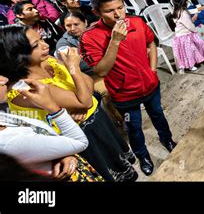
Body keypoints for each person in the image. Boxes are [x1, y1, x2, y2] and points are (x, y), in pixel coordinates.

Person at [1, 25, 137, 182]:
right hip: (84, 135)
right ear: (16, 56)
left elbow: (89, 83)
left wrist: (77, 79)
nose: (45, 46)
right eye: (35, 45)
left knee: (122, 164)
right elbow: (85, 100)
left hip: (98, 119)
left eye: (42, 40)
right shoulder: (26, 88)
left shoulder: (47, 60)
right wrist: (73, 69)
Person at [79, 0, 176, 176]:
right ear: (96, 12)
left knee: (158, 115)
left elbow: (151, 43)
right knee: (134, 127)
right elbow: (101, 70)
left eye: (120, 8)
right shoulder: (90, 37)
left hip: (150, 85)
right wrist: (114, 41)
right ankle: (143, 157)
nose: (117, 14)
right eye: (109, 11)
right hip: (124, 94)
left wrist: (153, 69)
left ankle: (167, 140)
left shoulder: (137, 22)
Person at [0, 76, 102, 181]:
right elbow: (79, 142)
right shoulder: (5, 142)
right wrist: (51, 105)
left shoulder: (2, 116)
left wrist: (61, 153)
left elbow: (43, 132)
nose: (4, 80)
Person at [171, 0, 204, 74]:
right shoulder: (183, 13)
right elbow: (189, 25)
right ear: (183, 3)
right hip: (185, 35)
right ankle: (191, 65)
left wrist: (194, 18)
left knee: (192, 49)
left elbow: (186, 22)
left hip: (183, 34)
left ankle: (200, 59)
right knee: (191, 50)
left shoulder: (177, 11)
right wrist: (195, 30)